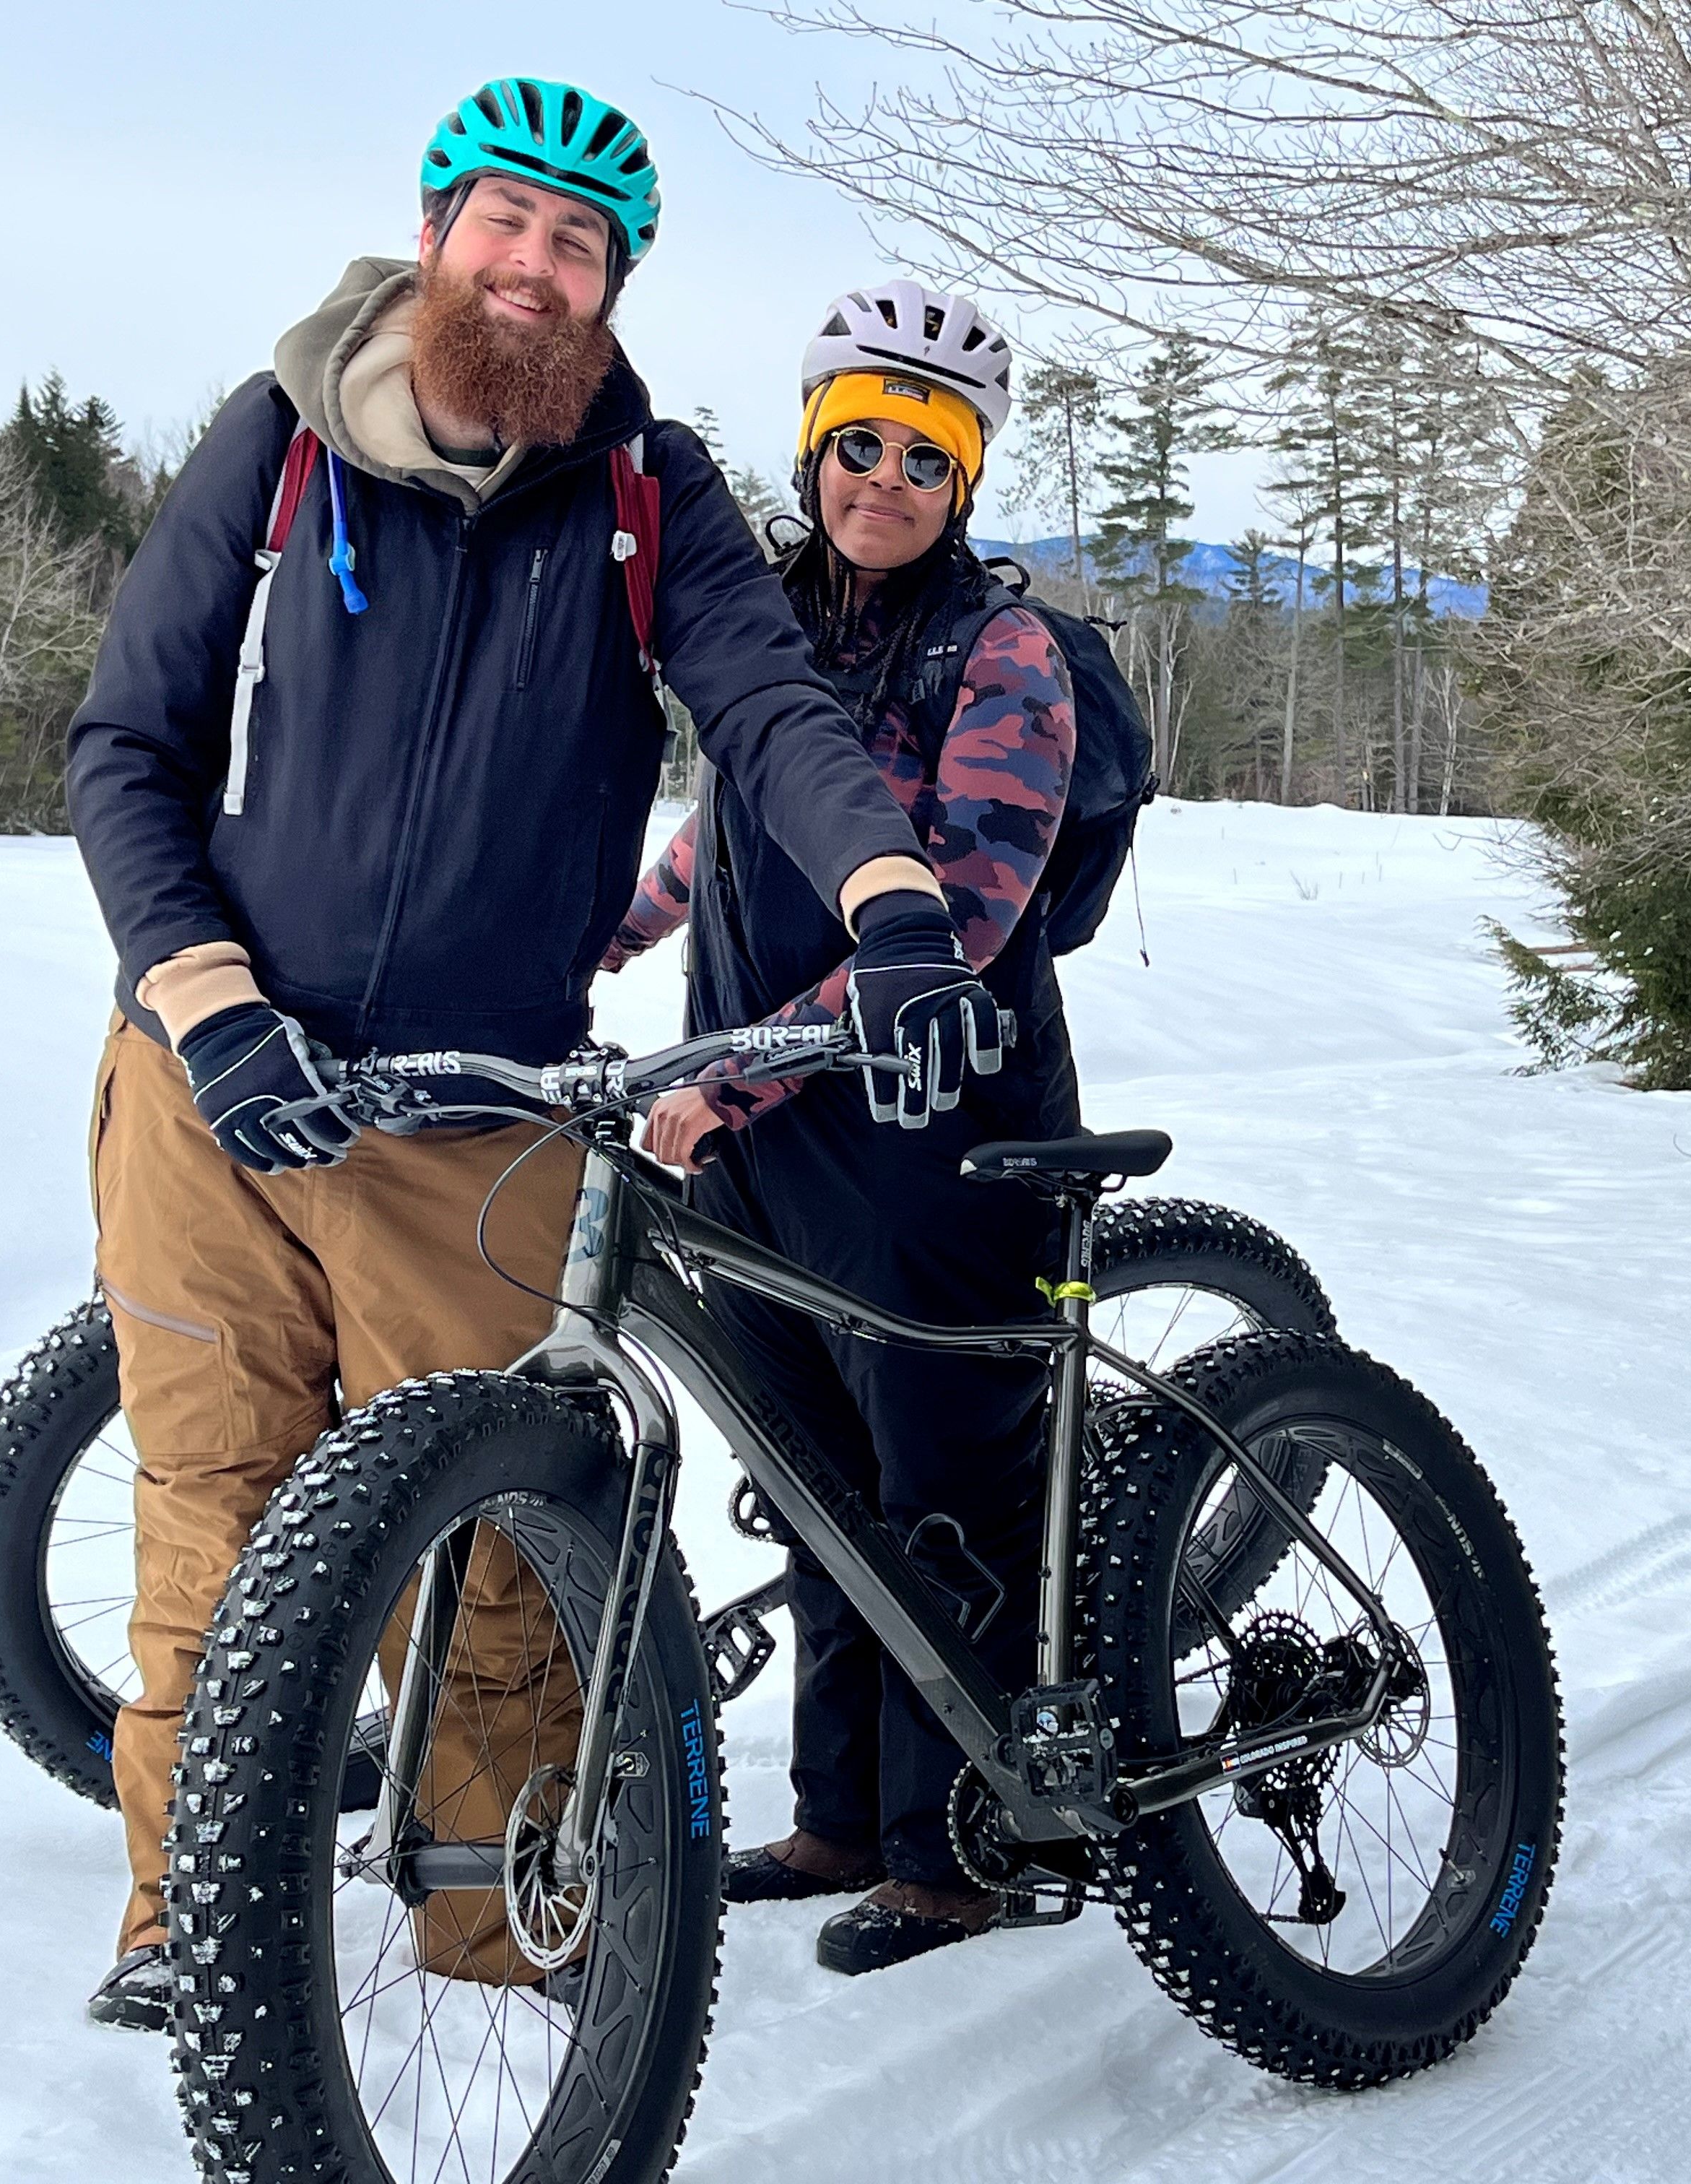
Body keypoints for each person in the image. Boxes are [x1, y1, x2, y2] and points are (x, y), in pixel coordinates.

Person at [63, 89, 994, 2032]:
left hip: (476, 1117)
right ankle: (177, 1921)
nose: (536, 268)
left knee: (493, 1554)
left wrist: (895, 893)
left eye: (580, 248)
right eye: (509, 224)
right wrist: (203, 994)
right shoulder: (281, 439)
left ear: (612, 286)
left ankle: (505, 1935)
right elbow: (125, 748)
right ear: (434, 228)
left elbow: (773, 712)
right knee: (209, 1509)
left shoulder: (648, 490)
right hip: (217, 1083)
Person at [600, 280, 1081, 1975]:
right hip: (763, 1131)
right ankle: (837, 1816)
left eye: (922, 459)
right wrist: (618, 929)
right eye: (856, 446)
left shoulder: (1001, 652)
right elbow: (729, 834)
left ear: (963, 482)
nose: (882, 480)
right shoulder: (782, 635)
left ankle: (963, 1849)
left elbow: (960, 910)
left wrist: (729, 1073)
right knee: (812, 1479)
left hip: (932, 1134)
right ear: (817, 450)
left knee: (936, 1482)